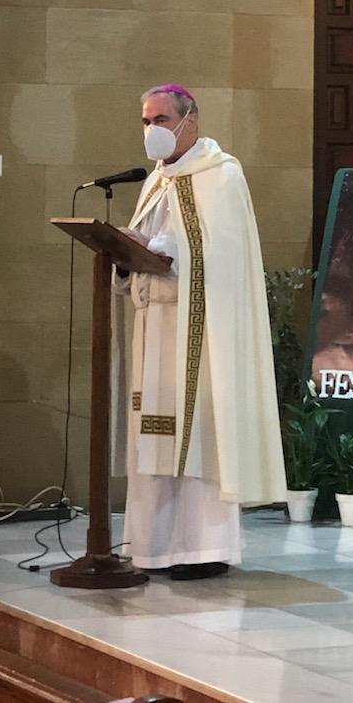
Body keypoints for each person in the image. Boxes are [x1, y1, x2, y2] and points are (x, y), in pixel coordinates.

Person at [113, 83, 286, 580]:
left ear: (190, 120)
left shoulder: (222, 176)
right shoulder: (156, 181)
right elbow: (147, 246)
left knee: (199, 436)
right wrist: (128, 256)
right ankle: (153, 545)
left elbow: (225, 259)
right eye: (146, 121)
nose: (152, 131)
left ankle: (201, 549)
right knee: (155, 439)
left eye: (161, 120)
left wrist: (168, 256)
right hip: (156, 326)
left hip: (201, 333)